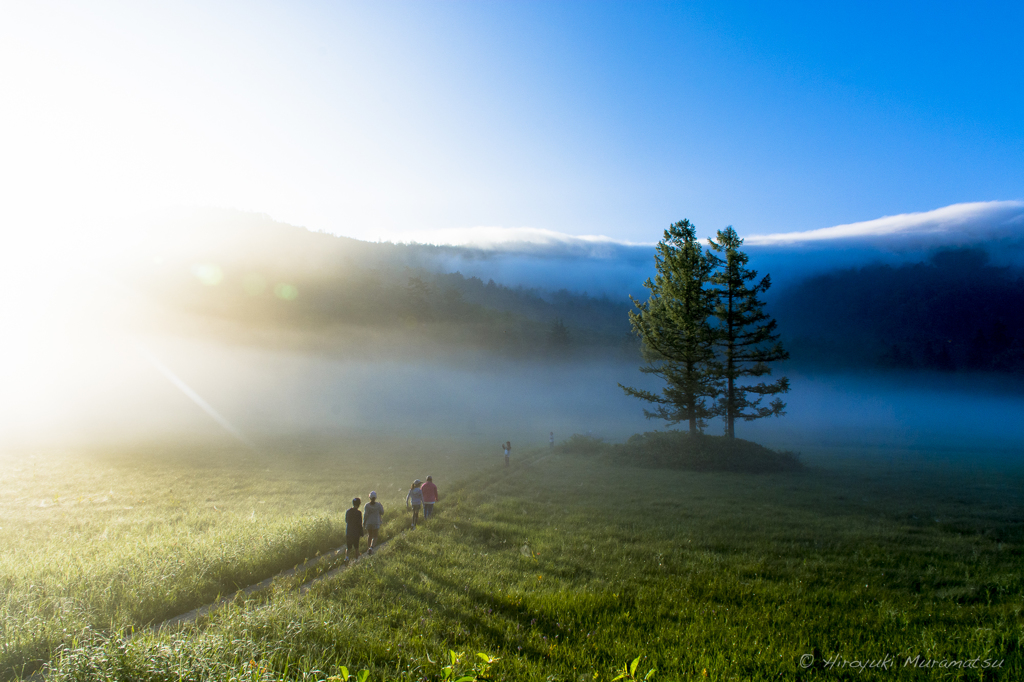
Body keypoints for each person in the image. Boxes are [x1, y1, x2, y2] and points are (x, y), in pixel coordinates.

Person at [344, 497, 363, 561]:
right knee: (356, 547)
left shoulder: (348, 511)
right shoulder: (358, 513)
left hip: (348, 532)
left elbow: (346, 520)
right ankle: (356, 560)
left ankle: (346, 558)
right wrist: (361, 532)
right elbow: (359, 524)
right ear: (359, 504)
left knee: (348, 547)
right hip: (355, 533)